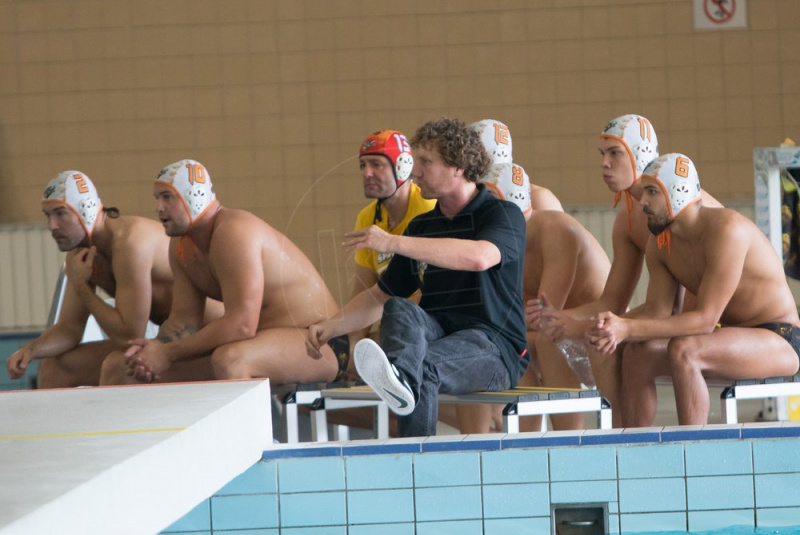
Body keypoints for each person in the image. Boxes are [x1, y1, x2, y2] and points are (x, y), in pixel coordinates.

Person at [307, 117, 530, 437]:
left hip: (495, 347)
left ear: (458, 166)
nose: (415, 171)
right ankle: (400, 379)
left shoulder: (502, 214)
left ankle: (415, 450)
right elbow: (379, 296)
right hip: (440, 335)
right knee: (399, 307)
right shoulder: (423, 226)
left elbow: (480, 257)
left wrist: (392, 242)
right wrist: (331, 326)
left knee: (423, 367)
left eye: (426, 161)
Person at [527, 114, 721, 426]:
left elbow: (688, 310)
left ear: (639, 156)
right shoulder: (628, 221)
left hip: (718, 320)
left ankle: (645, 439)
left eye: (614, 153)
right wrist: (564, 320)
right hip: (682, 316)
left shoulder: (685, 207)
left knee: (632, 350)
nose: (604, 163)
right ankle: (620, 436)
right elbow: (614, 302)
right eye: (601, 154)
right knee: (598, 338)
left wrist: (621, 328)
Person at [587, 153, 800, 426]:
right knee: (638, 352)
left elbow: (705, 321)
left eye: (652, 192)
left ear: (679, 194)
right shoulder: (661, 245)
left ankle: (692, 448)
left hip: (779, 338)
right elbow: (657, 312)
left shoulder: (727, 230)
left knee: (685, 349)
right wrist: (612, 327)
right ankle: (631, 446)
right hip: (730, 337)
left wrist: (626, 328)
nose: (642, 202)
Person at [122, 159, 343, 385]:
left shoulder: (233, 232)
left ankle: (247, 422)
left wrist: (168, 353)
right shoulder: (181, 246)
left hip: (320, 340)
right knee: (120, 368)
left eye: (167, 197)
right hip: (262, 342)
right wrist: (152, 352)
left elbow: (242, 325)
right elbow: (184, 323)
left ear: (195, 195)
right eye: (157, 198)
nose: (159, 207)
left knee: (231, 360)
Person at [5, 171, 214, 387]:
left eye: (60, 213)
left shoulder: (129, 243)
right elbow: (69, 329)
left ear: (85, 210)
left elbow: (129, 335)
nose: (52, 226)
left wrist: (81, 286)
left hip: (207, 340)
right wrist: (30, 350)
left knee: (117, 367)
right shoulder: (82, 254)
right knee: (56, 367)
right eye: (47, 215)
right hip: (170, 340)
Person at [349, 129, 436, 356]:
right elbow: (365, 290)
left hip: (430, 326)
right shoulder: (368, 218)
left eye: (377, 164)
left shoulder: (428, 211)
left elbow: (432, 295)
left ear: (403, 167)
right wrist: (350, 349)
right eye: (363, 165)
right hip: (394, 325)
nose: (367, 173)